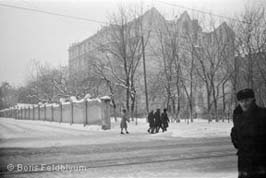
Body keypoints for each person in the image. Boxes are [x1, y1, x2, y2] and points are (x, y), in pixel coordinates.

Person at [230, 88, 266, 178]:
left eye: (247, 100)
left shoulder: (263, 114)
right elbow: (237, 137)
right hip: (243, 161)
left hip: (261, 161)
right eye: (241, 101)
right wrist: (234, 137)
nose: (244, 103)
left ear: (253, 100)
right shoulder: (237, 116)